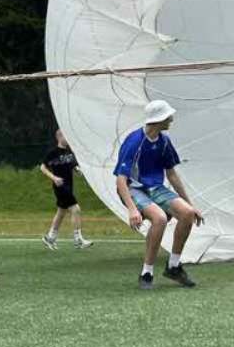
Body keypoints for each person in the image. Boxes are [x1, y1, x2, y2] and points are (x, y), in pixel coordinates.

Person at [114, 100, 203, 290]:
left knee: (187, 213)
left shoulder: (164, 141)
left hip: (155, 188)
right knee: (160, 219)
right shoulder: (134, 142)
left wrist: (190, 204)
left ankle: (174, 267)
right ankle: (147, 273)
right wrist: (132, 209)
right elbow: (121, 180)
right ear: (159, 119)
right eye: (168, 116)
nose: (171, 119)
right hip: (133, 189)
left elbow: (171, 173)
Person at [39, 129, 93, 250]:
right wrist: (54, 178)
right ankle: (78, 240)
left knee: (61, 212)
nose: (67, 139)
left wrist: (79, 170)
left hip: (69, 185)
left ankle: (50, 238)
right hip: (60, 186)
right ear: (59, 137)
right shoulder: (53, 153)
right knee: (76, 209)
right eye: (65, 136)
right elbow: (42, 167)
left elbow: (73, 166)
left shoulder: (69, 152)